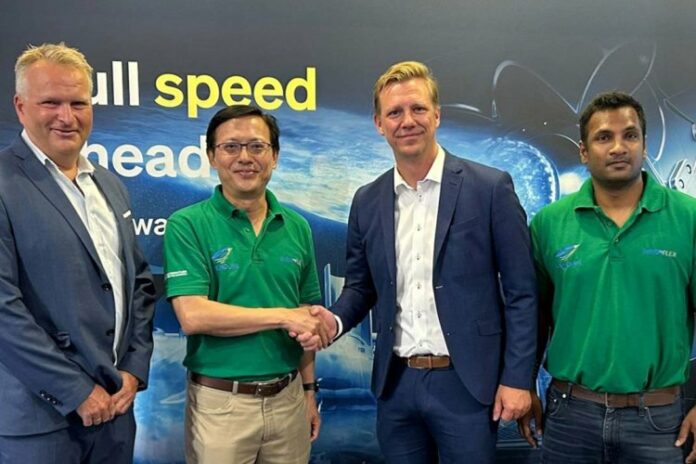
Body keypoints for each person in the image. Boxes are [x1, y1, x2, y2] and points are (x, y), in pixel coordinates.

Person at [304, 61, 538, 463]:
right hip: (396, 386)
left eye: (418, 109)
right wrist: (335, 320)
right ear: (379, 124)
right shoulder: (367, 200)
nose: (407, 121)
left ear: (437, 115)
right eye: (395, 112)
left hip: (467, 385)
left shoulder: (490, 188)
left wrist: (517, 378)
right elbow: (361, 286)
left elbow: (522, 292)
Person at [518, 91, 696, 463]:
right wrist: (524, 385)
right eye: (604, 137)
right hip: (569, 415)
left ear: (644, 145)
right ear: (584, 152)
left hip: (660, 420)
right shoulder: (549, 224)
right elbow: (533, 318)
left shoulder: (688, 218)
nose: (618, 147)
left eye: (630, 135)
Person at [0, 43, 156, 463]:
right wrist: (75, 391)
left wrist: (134, 370)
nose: (66, 117)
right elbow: (3, 310)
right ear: (20, 106)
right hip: (41, 422)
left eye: (78, 103)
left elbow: (140, 285)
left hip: (116, 413)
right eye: (50, 102)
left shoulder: (109, 184)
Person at [164, 104, 327, 463]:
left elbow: (306, 319)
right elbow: (193, 315)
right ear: (211, 156)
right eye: (231, 147)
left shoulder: (297, 226)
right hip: (221, 406)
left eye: (257, 146)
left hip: (289, 400)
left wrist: (308, 391)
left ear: (275, 156)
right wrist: (282, 316)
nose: (245, 158)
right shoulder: (187, 224)